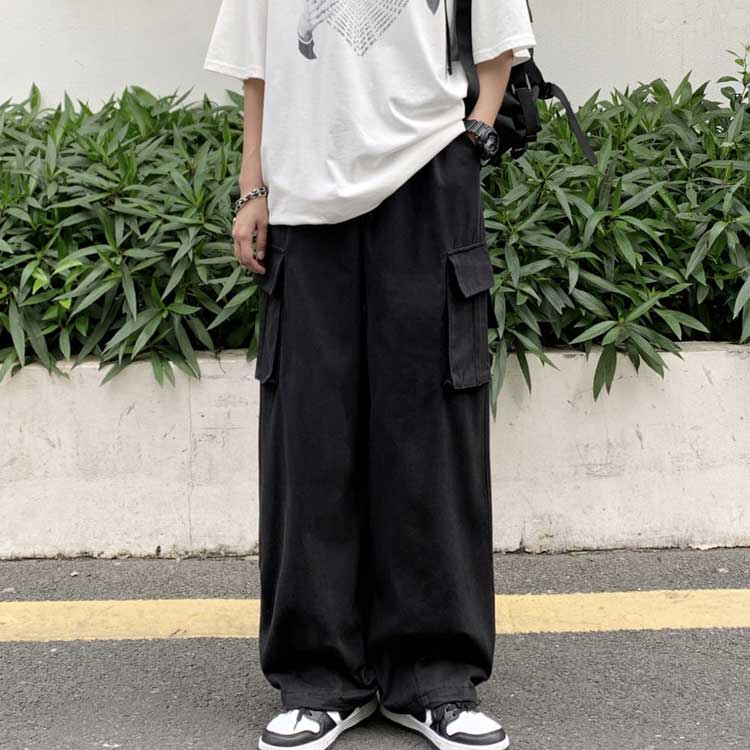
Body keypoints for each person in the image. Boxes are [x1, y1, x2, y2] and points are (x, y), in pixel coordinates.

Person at [204, 2, 535, 748]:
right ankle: (319, 678)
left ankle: (435, 677)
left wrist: (473, 137)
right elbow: (257, 64)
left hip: (427, 176)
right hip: (304, 194)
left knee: (430, 436)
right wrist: (252, 185)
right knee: (310, 439)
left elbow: (499, 43)